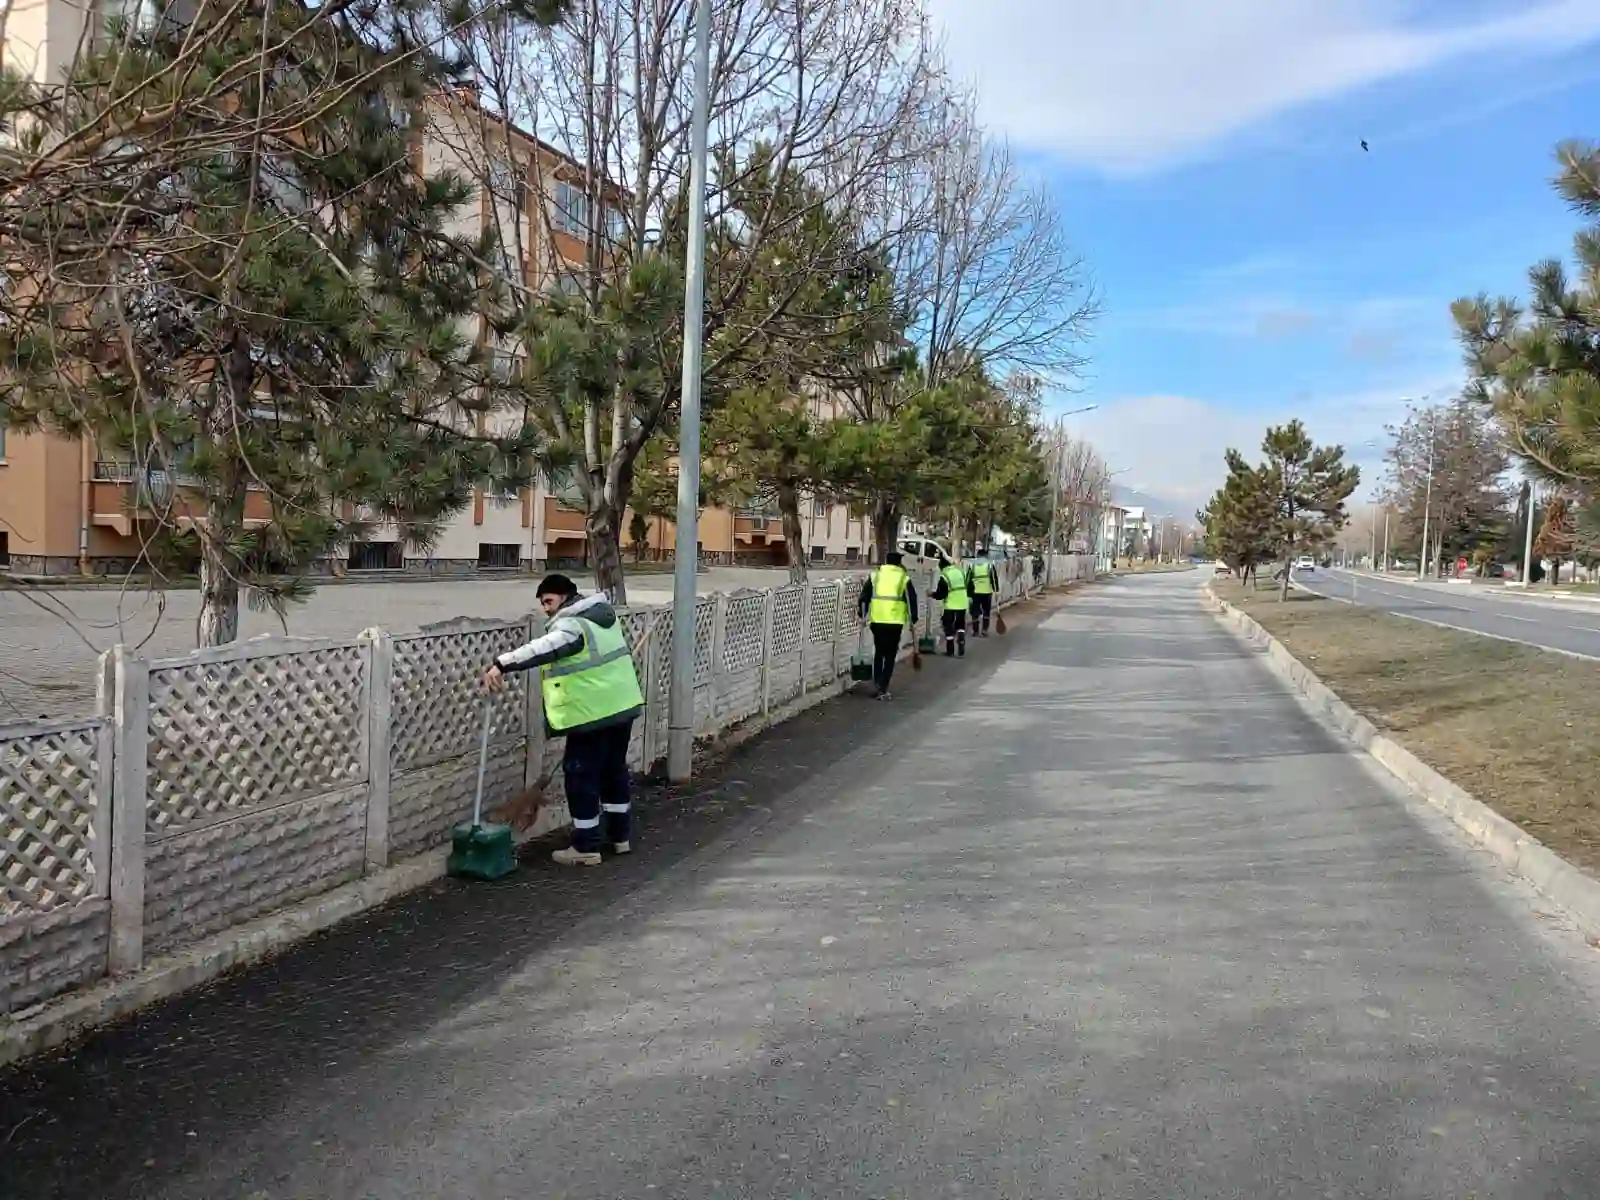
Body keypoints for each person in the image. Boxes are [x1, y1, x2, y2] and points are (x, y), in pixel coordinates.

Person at [483, 574, 644, 867]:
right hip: (622, 708)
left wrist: (501, 664)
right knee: (613, 771)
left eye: (549, 601)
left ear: (565, 597)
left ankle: (586, 847)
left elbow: (543, 649)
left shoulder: (573, 624)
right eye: (543, 603)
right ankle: (620, 838)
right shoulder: (603, 618)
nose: (546, 608)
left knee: (580, 776)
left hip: (593, 714)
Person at [856, 551, 919, 700]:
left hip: (877, 621)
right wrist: (913, 620)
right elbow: (912, 600)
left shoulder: (876, 576)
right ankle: (883, 687)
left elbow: (864, 597)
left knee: (879, 652)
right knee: (890, 655)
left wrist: (862, 614)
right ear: (899, 563)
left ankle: (877, 683)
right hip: (895, 623)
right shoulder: (904, 578)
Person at [931, 554, 970, 657]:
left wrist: (932, 594)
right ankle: (961, 640)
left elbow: (941, 594)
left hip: (950, 604)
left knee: (948, 626)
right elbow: (970, 585)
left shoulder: (944, 575)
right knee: (960, 624)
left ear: (942, 567)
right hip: (962, 602)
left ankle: (950, 650)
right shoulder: (961, 571)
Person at [968, 556, 998, 636]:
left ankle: (975, 631)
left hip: (975, 592)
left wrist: (968, 593)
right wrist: (996, 591)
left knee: (975, 612)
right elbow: (994, 578)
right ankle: (984, 630)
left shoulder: (972, 565)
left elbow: (968, 579)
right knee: (986, 612)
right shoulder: (990, 564)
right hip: (987, 592)